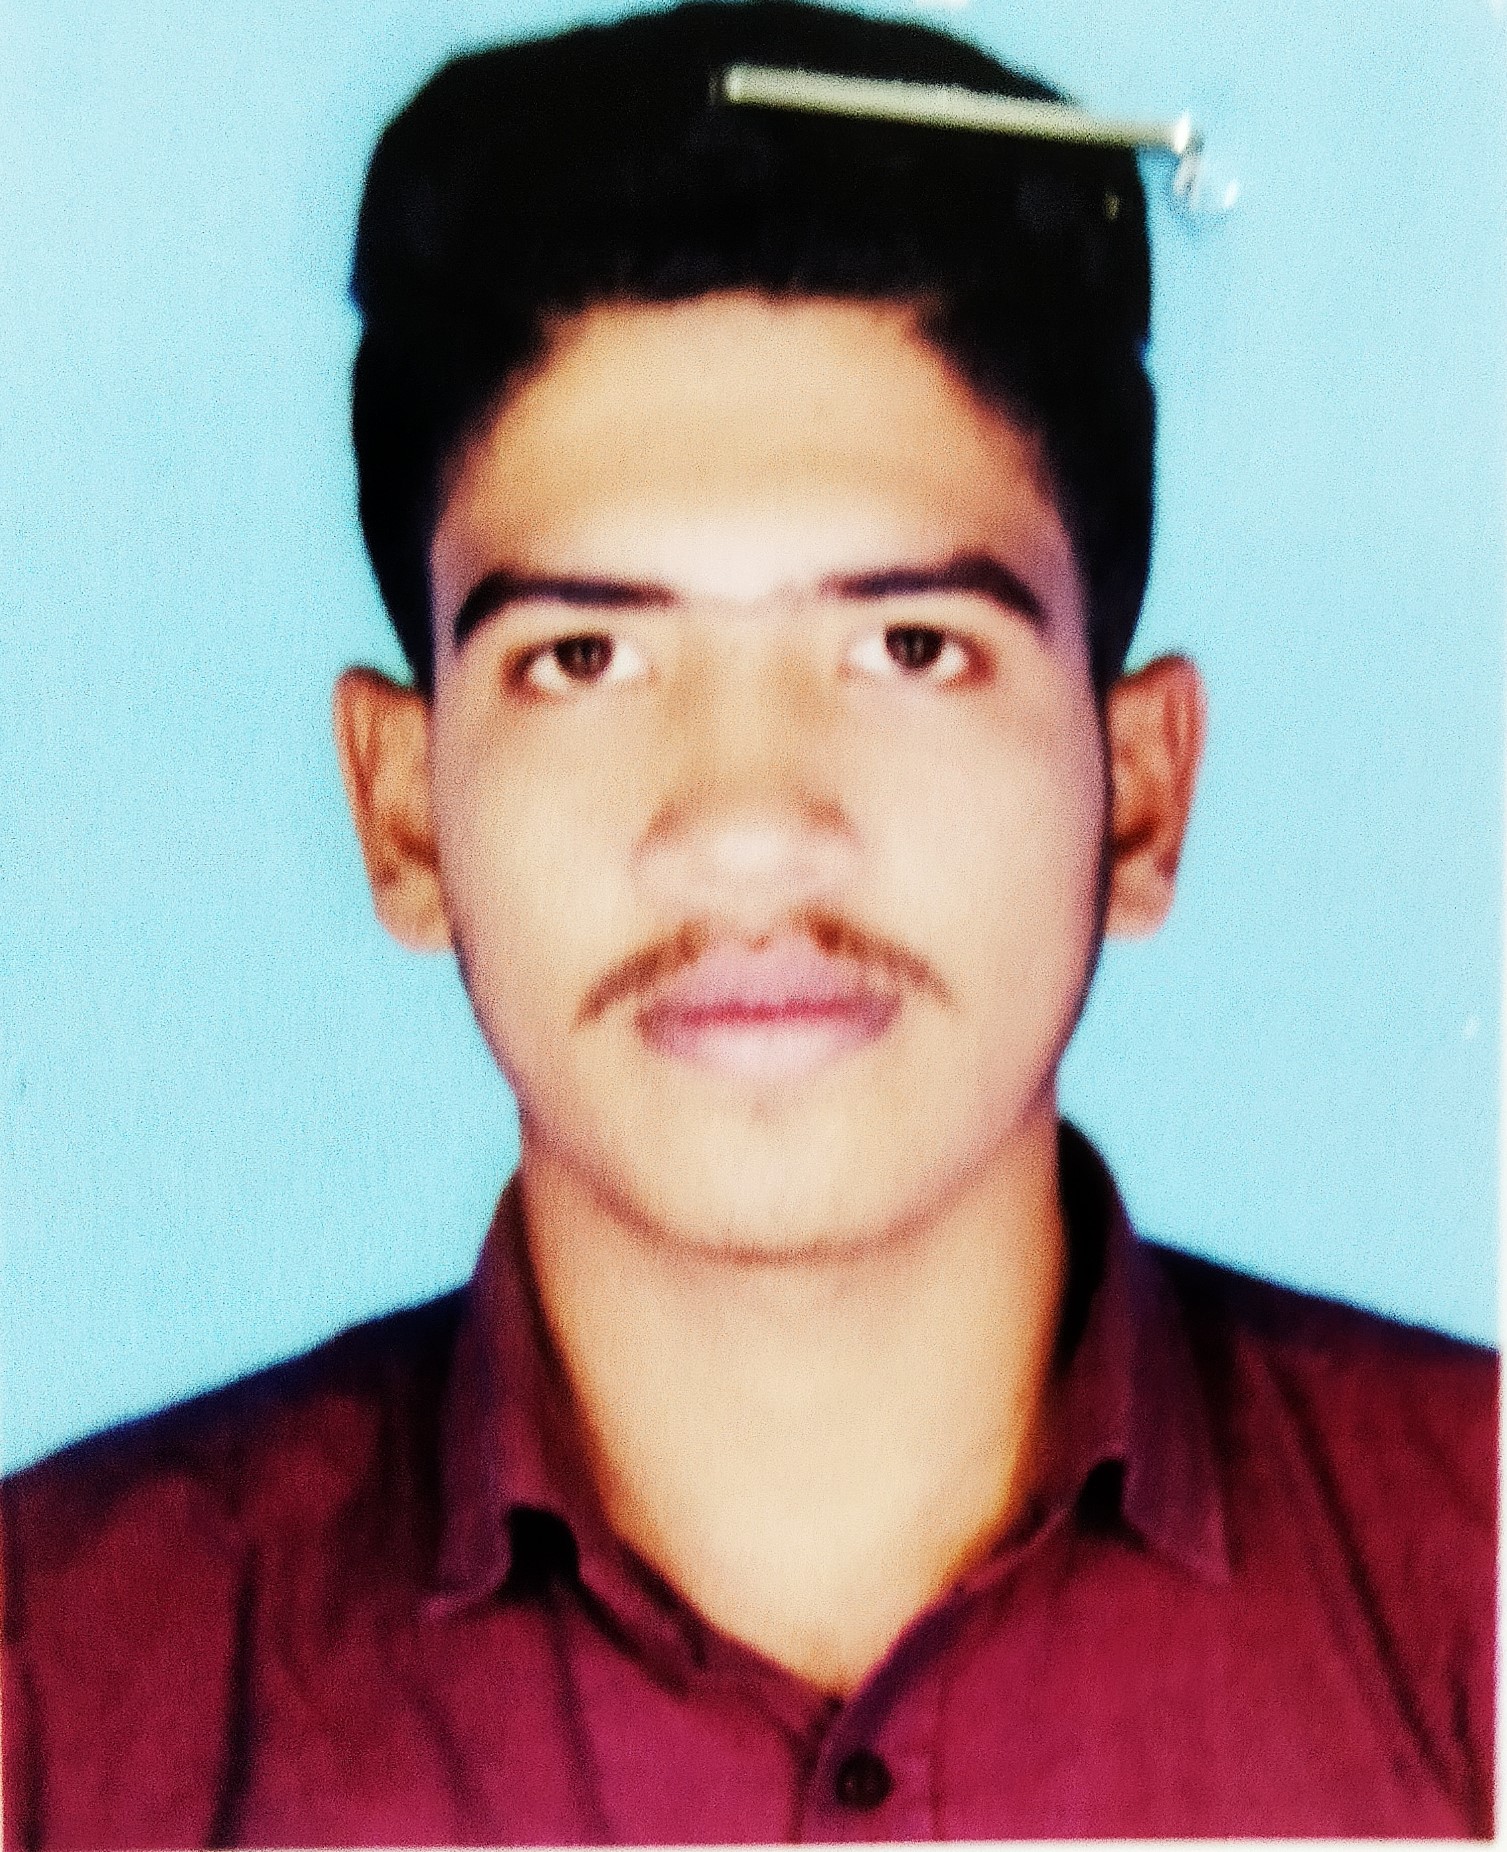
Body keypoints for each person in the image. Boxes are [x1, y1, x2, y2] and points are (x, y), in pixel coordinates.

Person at [1, 2, 1494, 1843]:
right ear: (402, 811)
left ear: (1139, 790)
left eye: (910, 647)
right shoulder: (56, 1699)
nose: (749, 828)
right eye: (586, 658)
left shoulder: (1471, 1594)